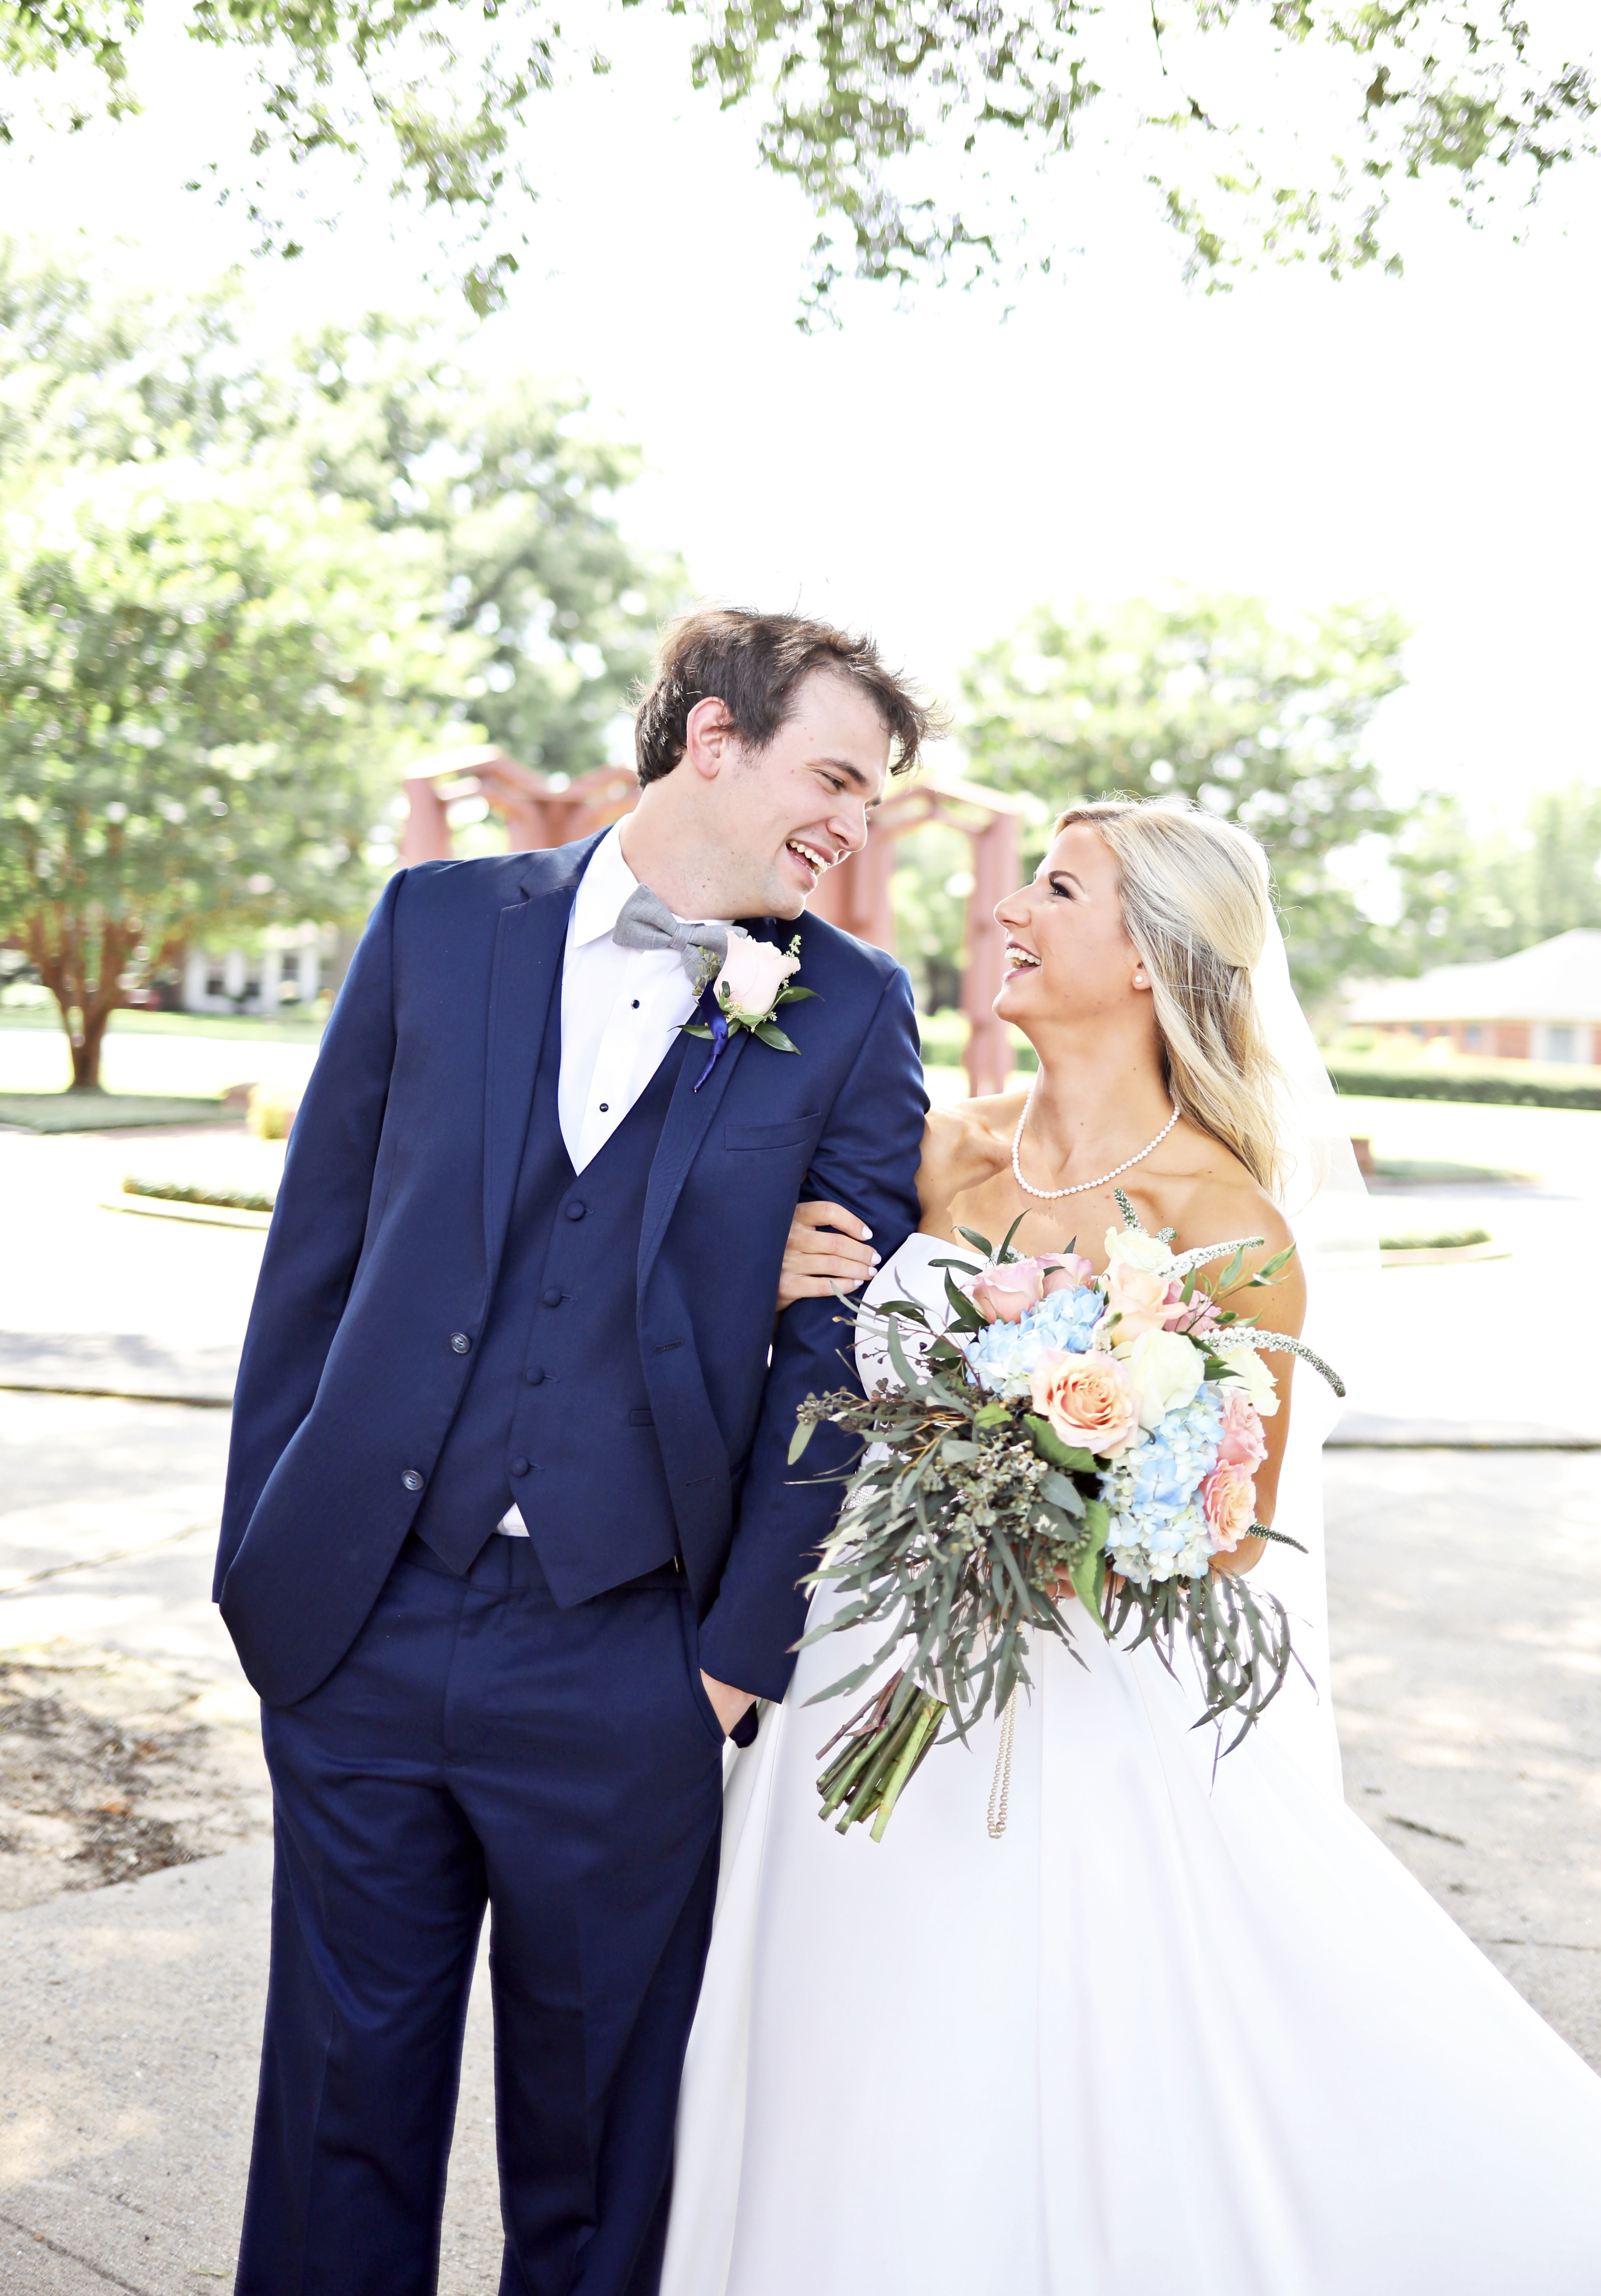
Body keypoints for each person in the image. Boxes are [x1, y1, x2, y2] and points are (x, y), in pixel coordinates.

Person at [659, 799, 1601, 2296]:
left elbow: (1225, 1541)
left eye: (1055, 890)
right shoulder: (942, 1151)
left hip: (1068, 1696)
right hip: (863, 1664)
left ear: (1150, 956)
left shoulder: (1230, 1221)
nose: (1009, 911)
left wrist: (1062, 1474)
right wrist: (777, 1278)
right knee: (840, 2009)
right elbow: (820, 1350)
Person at [214, 606, 932, 2296]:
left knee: (603, 2167)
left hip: (635, 1657)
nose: (852, 823)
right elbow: (315, 1258)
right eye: (834, 776)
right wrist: (270, 1557)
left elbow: (838, 1362)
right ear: (711, 739)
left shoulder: (849, 1008)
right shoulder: (436, 923)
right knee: (334, 2125)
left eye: (876, 798)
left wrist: (731, 1667)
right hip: (364, 1619)